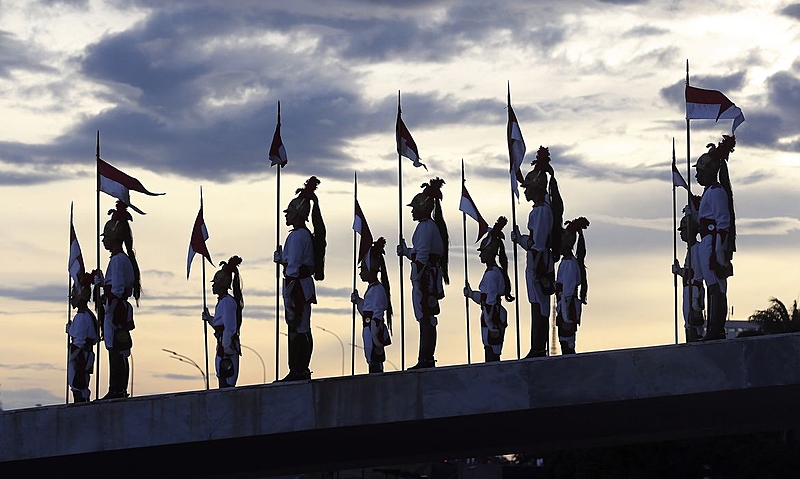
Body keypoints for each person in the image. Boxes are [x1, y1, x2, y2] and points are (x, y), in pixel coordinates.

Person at [511, 146, 563, 358]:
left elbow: (538, 244)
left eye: (528, 187)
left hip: (539, 264)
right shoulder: (539, 210)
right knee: (535, 304)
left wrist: (521, 240)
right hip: (536, 262)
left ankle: (538, 348)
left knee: (540, 307)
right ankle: (536, 346)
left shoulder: (542, 211)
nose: (525, 191)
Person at [274, 176, 326, 381]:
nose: (286, 215)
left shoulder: (298, 236)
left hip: (296, 287)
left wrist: (283, 263)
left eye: (289, 212)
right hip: (301, 285)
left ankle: (298, 368)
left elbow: (293, 268)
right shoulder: (300, 235)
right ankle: (299, 368)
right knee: (300, 326)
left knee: (297, 327)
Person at [397, 178, 449, 369]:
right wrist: (406, 251)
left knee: (427, 318)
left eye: (414, 208)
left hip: (425, 279)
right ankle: (424, 356)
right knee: (423, 317)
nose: (412, 211)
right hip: (424, 277)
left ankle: (426, 357)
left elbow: (423, 257)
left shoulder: (426, 227)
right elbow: (419, 252)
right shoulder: (424, 227)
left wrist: (417, 279)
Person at [94, 201, 139, 400]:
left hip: (116, 309)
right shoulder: (118, 260)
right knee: (117, 348)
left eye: (106, 237)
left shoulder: (119, 260)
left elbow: (118, 289)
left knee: (117, 349)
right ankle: (117, 388)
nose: (103, 241)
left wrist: (110, 310)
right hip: (115, 307)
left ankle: (117, 389)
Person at [694, 135, 736, 340]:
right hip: (706, 241)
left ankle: (716, 328)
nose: (697, 175)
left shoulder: (717, 192)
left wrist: (719, 252)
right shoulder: (709, 192)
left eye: (699, 171)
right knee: (711, 285)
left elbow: (723, 224)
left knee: (717, 286)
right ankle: (712, 326)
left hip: (713, 242)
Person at [463, 217, 514, 362]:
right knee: (489, 348)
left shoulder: (492, 274)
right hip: (491, 314)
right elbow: (485, 298)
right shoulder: (492, 272)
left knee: (492, 351)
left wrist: (491, 325)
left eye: (483, 251)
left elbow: (489, 302)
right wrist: (472, 294)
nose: (480, 254)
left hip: (493, 316)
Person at [351, 237, 393, 373]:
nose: (360, 272)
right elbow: (366, 310)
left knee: (375, 358)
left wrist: (375, 334)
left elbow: (377, 314)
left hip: (373, 330)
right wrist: (358, 301)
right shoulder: (372, 289)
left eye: (363, 268)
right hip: (368, 329)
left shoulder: (378, 289)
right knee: (370, 357)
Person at [203, 256, 244, 388]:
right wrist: (209, 319)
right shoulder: (222, 301)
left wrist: (226, 345)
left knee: (227, 381)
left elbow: (229, 327)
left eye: (215, 283)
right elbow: (219, 324)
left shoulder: (227, 302)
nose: (213, 286)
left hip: (227, 347)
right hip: (222, 345)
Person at [555, 217, 590, 354]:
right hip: (565, 306)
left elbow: (567, 293)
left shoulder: (569, 263)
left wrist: (565, 315)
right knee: (564, 342)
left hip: (567, 308)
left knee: (567, 344)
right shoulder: (566, 262)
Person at [672, 202, 705, 342]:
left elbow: (694, 272)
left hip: (694, 288)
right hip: (689, 288)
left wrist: (679, 271)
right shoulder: (692, 249)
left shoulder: (697, 249)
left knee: (693, 320)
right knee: (688, 319)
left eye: (684, 230)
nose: (681, 234)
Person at [67, 271, 99, 403]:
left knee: (78, 385)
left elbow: (79, 342)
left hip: (80, 357)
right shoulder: (87, 315)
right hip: (86, 355)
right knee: (81, 384)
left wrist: (71, 356)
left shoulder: (81, 317)